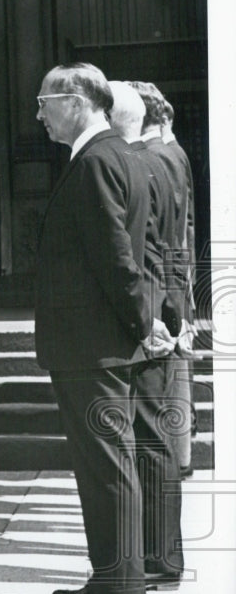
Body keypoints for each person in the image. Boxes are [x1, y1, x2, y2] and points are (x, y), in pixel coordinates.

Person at [33, 62, 173, 594]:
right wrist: (148, 319)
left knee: (105, 469)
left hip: (91, 344)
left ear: (76, 101)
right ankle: (116, 578)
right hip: (103, 340)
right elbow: (140, 251)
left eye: (44, 102)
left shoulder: (94, 161)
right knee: (111, 465)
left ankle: (117, 588)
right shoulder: (123, 155)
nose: (38, 114)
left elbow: (116, 257)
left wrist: (143, 322)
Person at [107, 81, 186, 590]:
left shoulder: (138, 164)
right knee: (154, 435)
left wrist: (153, 314)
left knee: (149, 438)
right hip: (163, 303)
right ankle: (161, 555)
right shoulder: (165, 158)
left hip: (148, 312)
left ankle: (158, 557)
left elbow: (144, 251)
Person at [130, 85, 197, 477]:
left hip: (161, 278)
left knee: (164, 387)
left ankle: (177, 460)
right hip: (174, 274)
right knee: (175, 377)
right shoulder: (172, 153)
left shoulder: (150, 156)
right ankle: (181, 457)